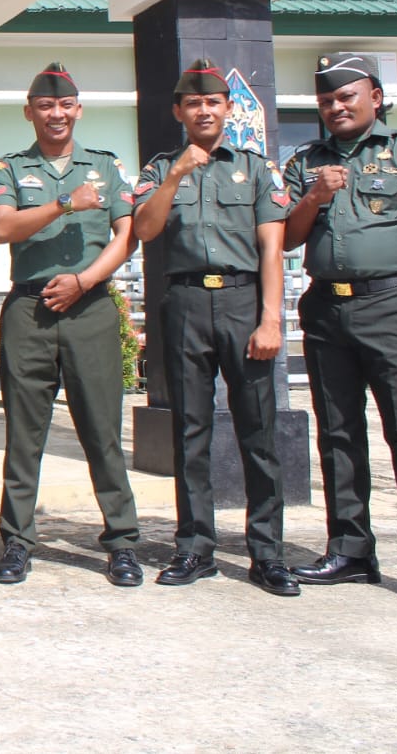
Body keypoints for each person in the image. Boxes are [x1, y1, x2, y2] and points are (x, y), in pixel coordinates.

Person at [132, 59, 297, 597]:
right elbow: (145, 229)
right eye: (193, 103)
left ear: (228, 108)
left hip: (243, 301)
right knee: (190, 431)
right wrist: (176, 174)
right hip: (184, 301)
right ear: (178, 111)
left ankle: (267, 553)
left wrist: (271, 319)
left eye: (213, 102)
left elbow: (272, 248)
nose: (204, 110)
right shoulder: (160, 169)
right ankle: (195, 547)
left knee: (258, 431)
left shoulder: (256, 168)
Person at [282, 52, 397, 608]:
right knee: (339, 434)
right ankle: (350, 550)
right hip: (327, 309)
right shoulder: (306, 161)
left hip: (392, 307)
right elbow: (288, 237)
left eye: (346, 96)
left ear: (374, 95)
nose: (336, 107)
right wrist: (315, 196)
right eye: (326, 100)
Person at [0, 62, 142, 588]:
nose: (57, 114)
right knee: (24, 434)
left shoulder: (106, 166)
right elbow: (2, 227)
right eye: (46, 105)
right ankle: (17, 541)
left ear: (79, 109)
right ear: (29, 112)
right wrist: (64, 203)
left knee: (102, 430)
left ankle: (122, 542)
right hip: (28, 310)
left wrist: (85, 280)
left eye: (66, 105)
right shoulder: (9, 169)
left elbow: (126, 235)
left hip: (90, 309)